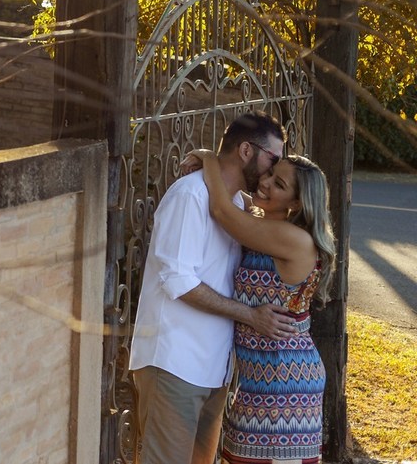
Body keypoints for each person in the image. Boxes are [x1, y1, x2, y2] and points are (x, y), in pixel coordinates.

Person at [129, 112, 297, 464]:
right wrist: (250, 315)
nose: (273, 171)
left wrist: (206, 155)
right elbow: (179, 280)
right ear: (247, 151)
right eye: (273, 159)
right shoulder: (189, 196)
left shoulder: (234, 203)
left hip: (213, 369)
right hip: (174, 363)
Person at [189, 148, 336, 464]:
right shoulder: (259, 225)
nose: (266, 182)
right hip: (256, 383)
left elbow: (222, 211)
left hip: (286, 386)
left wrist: (212, 159)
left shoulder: (294, 239)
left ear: (296, 203)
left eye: (279, 184)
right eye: (270, 173)